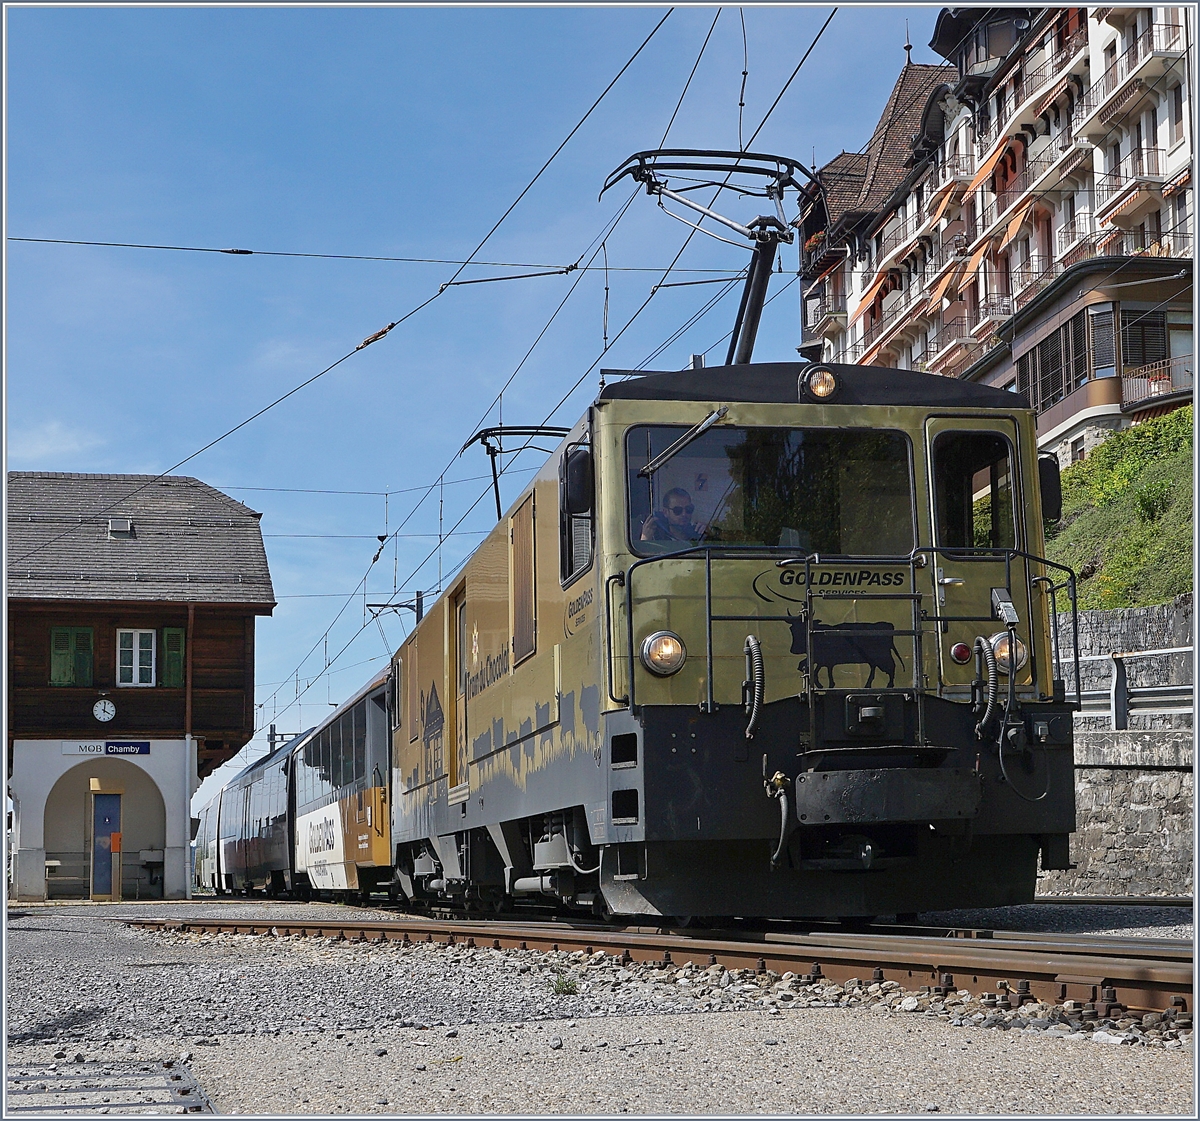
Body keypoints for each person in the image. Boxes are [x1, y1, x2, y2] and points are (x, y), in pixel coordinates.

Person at [641, 488, 706, 544]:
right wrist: (645, 539)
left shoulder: (698, 536)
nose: (684, 514)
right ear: (665, 512)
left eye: (688, 509)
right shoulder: (656, 538)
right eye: (677, 510)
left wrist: (709, 534)